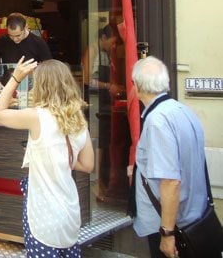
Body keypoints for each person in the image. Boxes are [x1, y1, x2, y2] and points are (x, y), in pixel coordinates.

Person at [0, 57, 94, 256]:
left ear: (41, 86)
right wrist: (59, 159)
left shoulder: (36, 116)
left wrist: (15, 78)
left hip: (43, 216)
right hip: (70, 214)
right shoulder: (79, 119)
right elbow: (88, 165)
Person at [131, 56, 208, 258]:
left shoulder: (157, 121)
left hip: (171, 226)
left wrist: (167, 234)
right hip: (193, 216)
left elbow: (170, 181)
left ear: (137, 86)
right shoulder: (183, 110)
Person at [81, 25, 124, 201]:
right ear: (104, 37)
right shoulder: (92, 50)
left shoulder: (107, 53)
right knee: (96, 142)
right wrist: (109, 86)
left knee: (104, 143)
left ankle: (103, 183)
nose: (113, 46)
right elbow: (86, 79)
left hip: (105, 103)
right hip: (94, 101)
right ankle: (95, 184)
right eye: (112, 42)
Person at [0, 12, 52, 92]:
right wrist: (1, 89)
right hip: (7, 87)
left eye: (18, 35)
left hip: (32, 90)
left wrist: (37, 90)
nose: (15, 39)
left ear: (26, 27)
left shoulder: (38, 42)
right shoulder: (1, 41)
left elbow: (49, 70)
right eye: (11, 35)